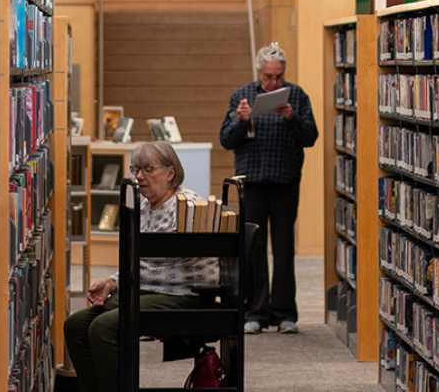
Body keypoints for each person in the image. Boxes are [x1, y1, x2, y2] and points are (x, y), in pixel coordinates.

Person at [64, 141, 216, 392]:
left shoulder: (188, 205)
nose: (139, 176)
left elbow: (202, 258)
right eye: (136, 169)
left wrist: (183, 242)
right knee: (75, 326)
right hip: (145, 291)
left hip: (181, 294)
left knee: (103, 328)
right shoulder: (143, 206)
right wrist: (112, 282)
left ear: (170, 173)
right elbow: (139, 262)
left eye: (148, 169)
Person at [219, 43, 318, 334]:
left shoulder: (296, 95)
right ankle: (255, 312)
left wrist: (291, 117)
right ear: (258, 72)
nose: (273, 82)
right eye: (267, 77)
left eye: (278, 77)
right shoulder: (242, 95)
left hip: (285, 181)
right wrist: (242, 120)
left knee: (284, 249)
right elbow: (226, 139)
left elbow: (310, 136)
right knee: (254, 249)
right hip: (251, 183)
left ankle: (284, 313)